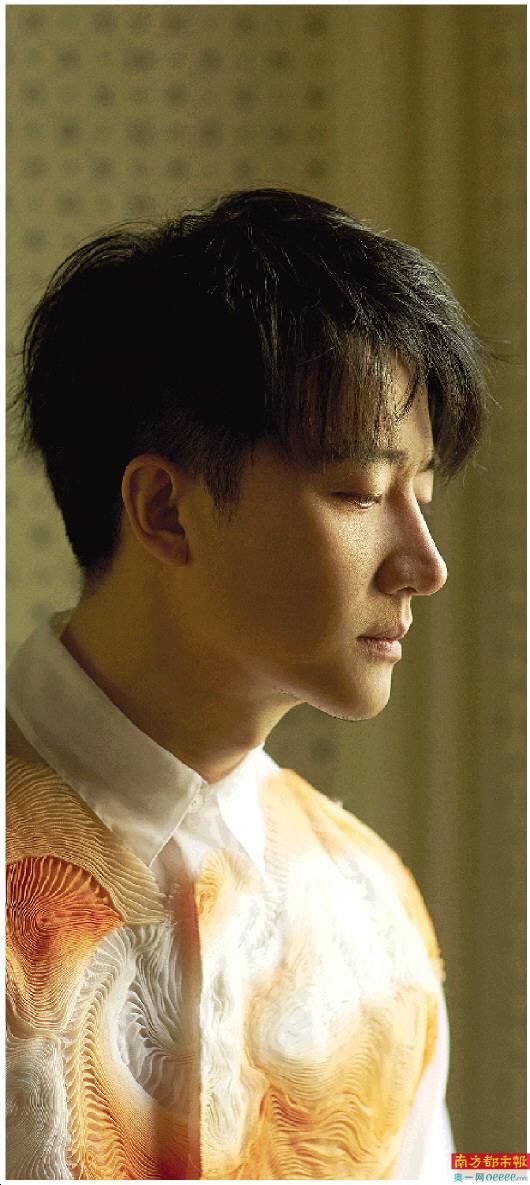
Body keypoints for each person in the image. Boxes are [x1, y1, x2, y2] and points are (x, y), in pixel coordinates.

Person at [6, 187, 491, 1180]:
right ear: (164, 510)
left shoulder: (372, 910)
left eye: (422, 494)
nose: (424, 563)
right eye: (359, 492)